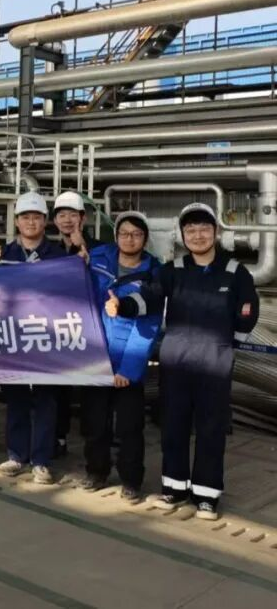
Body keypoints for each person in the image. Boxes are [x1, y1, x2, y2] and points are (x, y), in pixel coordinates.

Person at [109, 202, 258, 521]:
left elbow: (248, 313)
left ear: (216, 232)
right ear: (183, 235)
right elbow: (149, 297)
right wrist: (122, 306)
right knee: (173, 425)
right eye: (190, 230)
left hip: (214, 362)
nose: (197, 235)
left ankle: (206, 495)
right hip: (176, 360)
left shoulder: (235, 272)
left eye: (204, 229)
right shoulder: (172, 270)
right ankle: (174, 488)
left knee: (211, 428)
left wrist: (227, 343)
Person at [82, 211, 161, 503]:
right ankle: (96, 472)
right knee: (95, 424)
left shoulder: (154, 273)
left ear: (145, 239)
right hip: (96, 358)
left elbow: (149, 326)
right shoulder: (97, 259)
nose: (130, 239)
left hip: (128, 366)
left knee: (129, 428)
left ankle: (131, 480)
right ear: (115, 236)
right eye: (124, 233)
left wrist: (128, 369)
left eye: (136, 234)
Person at [0, 191, 66, 485]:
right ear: (17, 221)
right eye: (25, 217)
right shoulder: (3, 255)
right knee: (16, 398)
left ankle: (41, 461)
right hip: (13, 335)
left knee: (46, 399)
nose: (31, 222)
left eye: (36, 217)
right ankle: (16, 455)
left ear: (45, 222)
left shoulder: (58, 256)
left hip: (45, 335)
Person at [51, 191, 101, 458]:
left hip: (91, 329)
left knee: (92, 391)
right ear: (55, 221)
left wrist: (87, 255)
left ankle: (95, 449)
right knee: (58, 387)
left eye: (73, 214)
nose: (67, 220)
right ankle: (58, 437)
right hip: (59, 328)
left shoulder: (100, 249)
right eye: (62, 215)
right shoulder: (52, 252)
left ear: (83, 218)